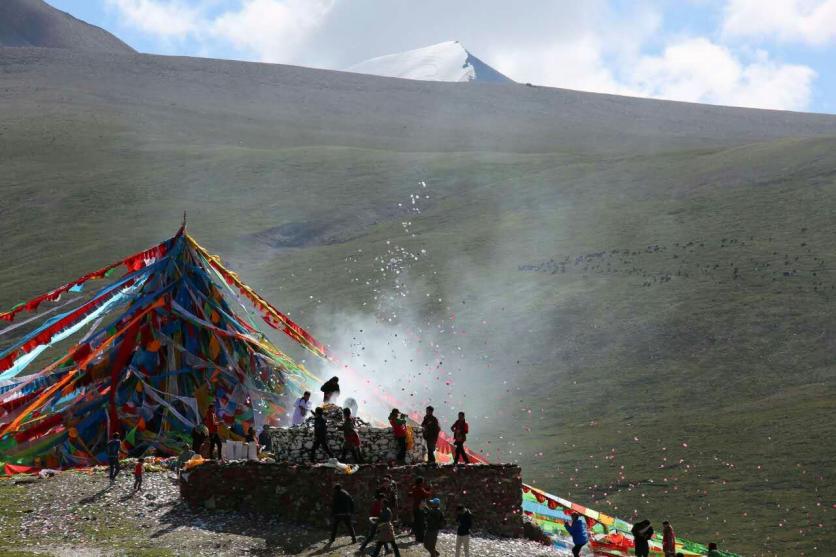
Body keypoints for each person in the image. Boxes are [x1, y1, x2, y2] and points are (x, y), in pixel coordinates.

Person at [410, 477, 432, 543]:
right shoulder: (420, 489)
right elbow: (426, 495)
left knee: (416, 523)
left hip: (415, 507)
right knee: (421, 523)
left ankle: (417, 538)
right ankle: (421, 538)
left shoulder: (414, 488)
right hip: (420, 507)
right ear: (420, 482)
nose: (423, 483)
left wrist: (427, 489)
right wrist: (430, 489)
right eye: (422, 482)